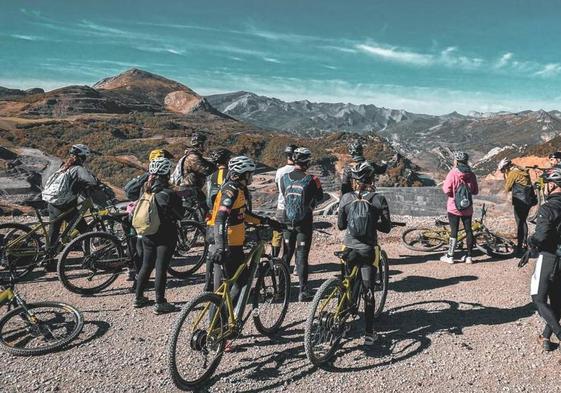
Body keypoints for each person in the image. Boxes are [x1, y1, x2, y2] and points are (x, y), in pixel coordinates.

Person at [208, 156, 282, 304]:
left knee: (235, 284)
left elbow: (242, 214)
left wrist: (266, 221)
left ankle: (224, 320)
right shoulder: (231, 190)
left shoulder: (238, 189)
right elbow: (220, 218)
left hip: (232, 243)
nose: (252, 177)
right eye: (250, 174)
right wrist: (221, 247)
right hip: (227, 243)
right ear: (243, 174)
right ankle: (222, 322)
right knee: (235, 285)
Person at [337, 161, 391, 345]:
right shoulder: (378, 199)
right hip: (368, 250)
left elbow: (341, 225)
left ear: (354, 180)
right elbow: (386, 228)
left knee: (345, 285)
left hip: (349, 248)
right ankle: (369, 333)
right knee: (368, 290)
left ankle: (340, 324)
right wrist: (373, 222)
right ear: (371, 179)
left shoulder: (345, 198)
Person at [134, 157, 185, 314]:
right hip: (165, 235)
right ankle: (160, 302)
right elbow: (180, 214)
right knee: (161, 268)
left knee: (146, 265)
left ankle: (138, 297)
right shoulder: (169, 193)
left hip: (147, 234)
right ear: (167, 173)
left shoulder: (146, 189)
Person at [41, 144, 99, 271]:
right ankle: (88, 259)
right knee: (86, 230)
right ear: (82, 157)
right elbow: (92, 181)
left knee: (53, 232)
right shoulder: (78, 169)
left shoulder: (63, 166)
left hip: (52, 203)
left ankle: (48, 262)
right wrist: (97, 184)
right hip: (65, 206)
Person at [123, 149, 174, 286]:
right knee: (144, 258)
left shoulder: (145, 178)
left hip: (137, 218)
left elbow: (129, 192)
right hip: (150, 223)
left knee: (139, 251)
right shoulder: (158, 182)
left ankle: (134, 276)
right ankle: (138, 283)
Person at [280, 147, 324, 301]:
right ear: (307, 162)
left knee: (286, 254)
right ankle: (303, 291)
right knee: (301, 255)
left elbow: (284, 195)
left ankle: (281, 288)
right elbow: (320, 197)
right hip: (304, 222)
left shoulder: (284, 178)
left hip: (286, 221)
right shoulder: (313, 180)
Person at [527, 167, 561, 352]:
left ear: (553, 185)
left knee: (538, 298)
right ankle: (545, 337)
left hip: (549, 257)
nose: (544, 187)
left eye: (546, 183)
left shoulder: (548, 207)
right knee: (557, 302)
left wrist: (530, 241)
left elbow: (540, 237)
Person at [440, 151, 479, 264]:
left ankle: (450, 256)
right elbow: (475, 191)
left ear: (456, 161)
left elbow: (446, 190)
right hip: (467, 208)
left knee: (454, 231)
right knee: (468, 230)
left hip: (453, 207)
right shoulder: (471, 174)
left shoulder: (452, 173)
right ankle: (469, 256)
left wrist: (453, 194)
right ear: (466, 161)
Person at [203, 147, 232, 291]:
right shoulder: (231, 175)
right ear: (228, 160)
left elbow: (208, 200)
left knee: (211, 251)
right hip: (228, 218)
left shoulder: (210, 177)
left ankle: (208, 283)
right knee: (228, 250)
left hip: (212, 218)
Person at [171, 131, 215, 222]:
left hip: (190, 188)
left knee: (202, 206)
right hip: (186, 189)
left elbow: (205, 163)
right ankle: (189, 228)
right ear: (199, 145)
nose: (207, 146)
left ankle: (199, 226)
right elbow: (205, 169)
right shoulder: (192, 157)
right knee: (193, 209)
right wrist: (219, 168)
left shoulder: (195, 155)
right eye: (205, 144)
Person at [498, 158, 535, 256]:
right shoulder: (522, 171)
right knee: (523, 221)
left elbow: (507, 188)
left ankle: (520, 247)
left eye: (503, 170)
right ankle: (524, 243)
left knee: (520, 223)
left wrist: (506, 177)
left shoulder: (513, 173)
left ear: (505, 168)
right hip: (528, 200)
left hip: (520, 201)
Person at [272, 144, 297, 258]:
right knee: (292, 237)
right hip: (294, 210)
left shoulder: (280, 171)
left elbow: (278, 188)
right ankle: (287, 263)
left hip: (281, 207)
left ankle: (274, 261)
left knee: (277, 235)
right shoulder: (299, 171)